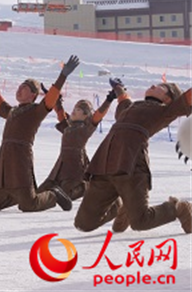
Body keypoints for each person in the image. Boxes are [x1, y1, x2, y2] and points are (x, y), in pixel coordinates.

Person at [75, 79, 192, 233]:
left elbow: (187, 98)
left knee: (141, 222)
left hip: (131, 166)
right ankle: (123, 207)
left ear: (168, 99)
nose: (153, 85)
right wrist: (118, 88)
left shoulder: (164, 112)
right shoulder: (131, 107)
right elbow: (124, 99)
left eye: (161, 87)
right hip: (104, 164)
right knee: (83, 224)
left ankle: (179, 208)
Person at [0, 55, 80, 213]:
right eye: (19, 87)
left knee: (29, 205)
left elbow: (50, 99)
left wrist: (63, 76)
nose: (19, 90)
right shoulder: (12, 111)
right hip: (3, 161)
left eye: (24, 88)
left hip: (20, 159)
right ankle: (17, 195)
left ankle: (53, 194)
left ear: (33, 95)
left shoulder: (36, 111)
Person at [36, 89, 114, 201]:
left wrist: (109, 99)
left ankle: (87, 186)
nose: (73, 111)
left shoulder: (86, 128)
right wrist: (53, 97)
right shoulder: (68, 127)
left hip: (75, 167)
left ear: (85, 115)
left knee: (67, 193)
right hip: (60, 167)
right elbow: (59, 111)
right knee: (41, 191)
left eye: (78, 109)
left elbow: (98, 115)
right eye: (74, 108)